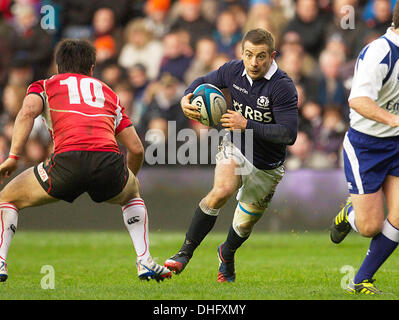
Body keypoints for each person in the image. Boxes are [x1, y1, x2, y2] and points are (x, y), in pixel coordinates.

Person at [0, 39, 172, 283]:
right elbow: (136, 149)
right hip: (108, 161)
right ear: (92, 68)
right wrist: (127, 179)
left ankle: (0, 262)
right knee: (133, 196)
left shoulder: (45, 85)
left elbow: (28, 110)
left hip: (66, 161)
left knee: (7, 198)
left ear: (58, 67)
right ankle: (144, 260)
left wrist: (13, 157)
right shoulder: (107, 92)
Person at [164, 28, 298, 282]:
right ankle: (184, 253)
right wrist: (186, 97)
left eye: (260, 57)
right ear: (242, 53)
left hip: (267, 165)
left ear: (272, 55)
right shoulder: (233, 70)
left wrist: (247, 124)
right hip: (236, 144)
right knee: (222, 190)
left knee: (242, 225)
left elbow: (288, 134)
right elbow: (203, 80)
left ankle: (226, 252)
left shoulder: (283, 87)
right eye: (248, 55)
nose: (253, 63)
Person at [330, 5, 399, 294]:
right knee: (370, 226)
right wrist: (395, 120)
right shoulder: (380, 52)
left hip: (396, 143)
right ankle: (350, 215)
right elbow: (358, 100)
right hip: (366, 146)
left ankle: (361, 280)